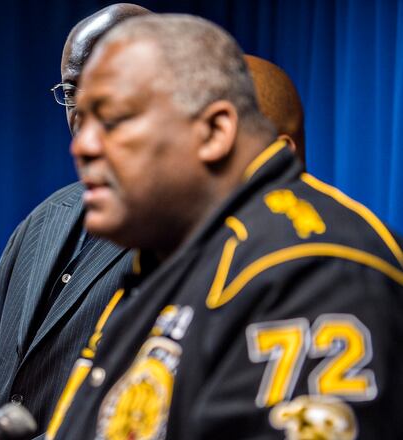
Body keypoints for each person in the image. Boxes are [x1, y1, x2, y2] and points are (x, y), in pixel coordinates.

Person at [50, 13, 403, 439]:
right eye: (82, 118)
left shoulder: (309, 268)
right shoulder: (171, 264)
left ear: (215, 131)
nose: (82, 145)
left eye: (114, 120)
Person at [0, 4, 150, 438]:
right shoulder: (47, 215)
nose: (80, 116)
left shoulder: (176, 233)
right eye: (72, 92)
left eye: (102, 93)